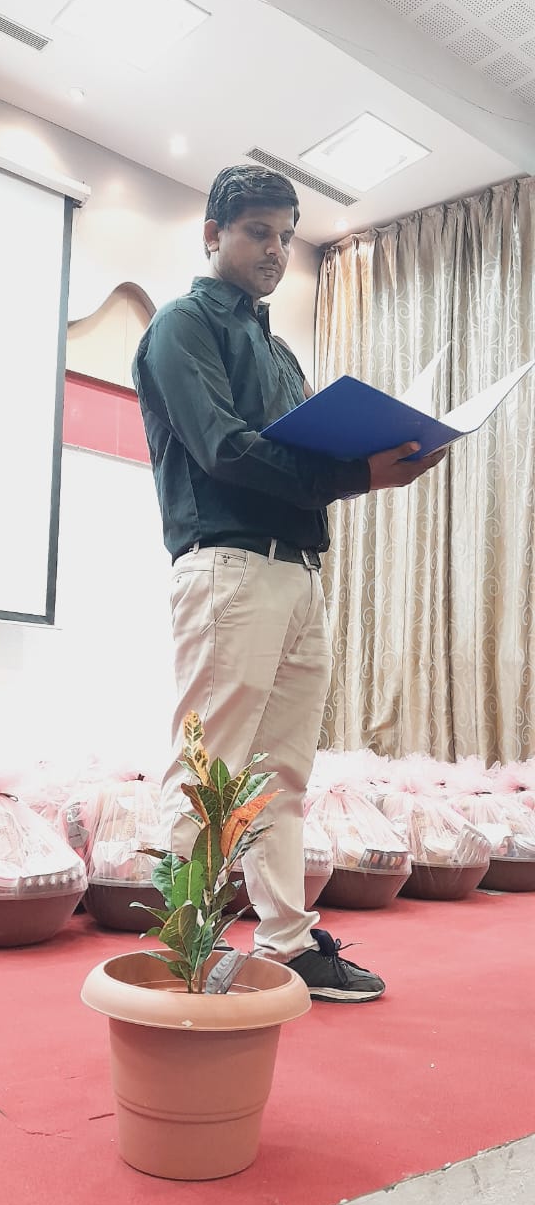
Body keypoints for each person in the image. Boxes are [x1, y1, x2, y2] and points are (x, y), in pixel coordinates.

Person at [133, 165, 444, 1003]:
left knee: (281, 777)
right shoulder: (181, 326)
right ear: (213, 235)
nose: (274, 250)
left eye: (284, 235)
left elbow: (298, 455)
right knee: (211, 773)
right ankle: (183, 952)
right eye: (257, 232)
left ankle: (288, 943)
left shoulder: (280, 352)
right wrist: (357, 475)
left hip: (299, 573)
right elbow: (223, 448)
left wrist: (371, 456)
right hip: (229, 567)